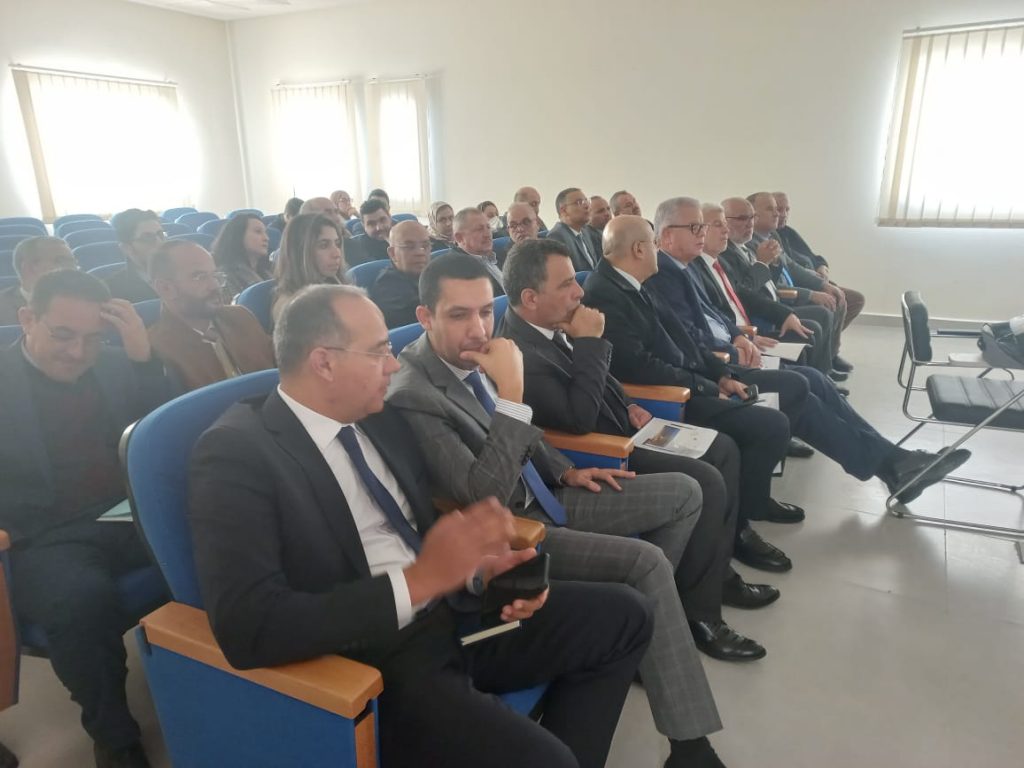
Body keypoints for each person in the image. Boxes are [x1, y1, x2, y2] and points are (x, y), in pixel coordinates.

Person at [188, 283, 654, 768]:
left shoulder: (379, 416)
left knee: (626, 615)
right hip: (380, 657)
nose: (393, 365)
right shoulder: (236, 454)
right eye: (378, 352)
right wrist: (419, 581)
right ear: (324, 363)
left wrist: (479, 571)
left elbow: (419, 531)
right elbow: (249, 627)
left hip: (453, 613)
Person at [388, 253, 729, 767]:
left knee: (685, 492)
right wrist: (513, 391)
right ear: (425, 317)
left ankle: (650, 637)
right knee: (647, 563)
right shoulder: (414, 393)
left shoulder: (477, 357)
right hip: (516, 527)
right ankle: (690, 746)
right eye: (459, 315)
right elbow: (484, 495)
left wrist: (567, 470)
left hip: (550, 491)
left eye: (484, 311)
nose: (478, 328)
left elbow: (526, 433)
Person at [501, 238, 780, 660]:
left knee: (722, 450)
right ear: (530, 298)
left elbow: (598, 379)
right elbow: (577, 419)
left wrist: (627, 400)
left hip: (623, 428)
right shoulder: (520, 350)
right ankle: (701, 616)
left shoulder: (554, 323)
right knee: (706, 478)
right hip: (597, 453)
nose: (579, 291)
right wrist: (591, 341)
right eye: (566, 285)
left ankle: (716, 573)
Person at [644, 199, 973, 506]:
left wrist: (736, 335)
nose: (705, 232)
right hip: (715, 369)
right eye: (697, 227)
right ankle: (893, 464)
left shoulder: (685, 268)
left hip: (732, 351)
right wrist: (731, 348)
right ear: (667, 236)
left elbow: (715, 315)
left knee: (813, 379)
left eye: (705, 226)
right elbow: (688, 336)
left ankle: (894, 463)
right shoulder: (663, 276)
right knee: (799, 386)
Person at [0, 270, 171, 768]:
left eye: (92, 338)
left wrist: (142, 358)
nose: (78, 352)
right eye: (63, 334)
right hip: (43, 533)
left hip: (123, 510)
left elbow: (160, 435)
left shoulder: (116, 365)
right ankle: (115, 739)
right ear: (27, 318)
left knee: (219, 530)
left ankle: (228, 672)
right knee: (80, 601)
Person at [719, 197, 833, 374]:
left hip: (771, 307)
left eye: (752, 217)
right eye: (742, 218)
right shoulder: (725, 254)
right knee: (813, 327)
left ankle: (824, 374)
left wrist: (773, 263)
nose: (750, 223)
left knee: (817, 320)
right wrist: (762, 263)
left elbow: (768, 282)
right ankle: (820, 376)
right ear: (724, 221)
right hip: (757, 319)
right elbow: (745, 293)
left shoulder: (745, 246)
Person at [147, 240, 274, 391]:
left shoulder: (240, 317)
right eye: (199, 277)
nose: (215, 285)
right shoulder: (158, 347)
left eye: (215, 275)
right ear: (166, 288)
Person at [747, 192, 849, 380]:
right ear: (754, 214)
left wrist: (821, 284)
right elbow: (764, 287)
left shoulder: (773, 235)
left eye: (780, 209)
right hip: (778, 303)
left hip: (787, 295)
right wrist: (810, 294)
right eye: (770, 209)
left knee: (831, 301)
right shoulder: (751, 245)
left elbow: (792, 267)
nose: (777, 214)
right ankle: (822, 373)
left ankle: (827, 365)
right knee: (822, 314)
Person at [774, 191, 865, 331]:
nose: (784, 214)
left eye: (787, 210)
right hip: (800, 287)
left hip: (815, 279)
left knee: (853, 298)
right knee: (844, 300)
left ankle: (830, 338)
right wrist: (814, 281)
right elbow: (788, 271)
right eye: (779, 209)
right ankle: (829, 339)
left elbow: (813, 257)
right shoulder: (768, 239)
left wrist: (822, 267)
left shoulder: (788, 232)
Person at [271, 213, 346, 323]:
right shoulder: (290, 306)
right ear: (300, 252)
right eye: (323, 245)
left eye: (337, 244)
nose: (337, 254)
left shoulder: (334, 284)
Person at [369, 220, 432, 328]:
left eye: (425, 246)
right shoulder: (387, 286)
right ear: (392, 253)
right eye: (410, 247)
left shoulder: (433, 273)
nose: (420, 252)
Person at [0, 236, 76, 324]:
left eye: (73, 262)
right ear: (29, 267)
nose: (73, 269)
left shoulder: (85, 301)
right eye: (61, 261)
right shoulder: (3, 307)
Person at [103, 209, 163, 303]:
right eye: (148, 237)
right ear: (127, 248)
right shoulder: (112, 291)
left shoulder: (181, 273)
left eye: (160, 234)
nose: (160, 243)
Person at [211, 213, 272, 300]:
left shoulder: (269, 271)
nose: (266, 238)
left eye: (265, 233)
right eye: (258, 232)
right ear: (238, 235)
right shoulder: (225, 276)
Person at [447, 208, 507, 294]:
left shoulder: (500, 254)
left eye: (488, 227)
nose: (487, 234)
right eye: (479, 229)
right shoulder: (456, 271)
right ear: (459, 238)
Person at [546, 188, 602, 271]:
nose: (587, 206)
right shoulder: (556, 237)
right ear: (564, 210)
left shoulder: (586, 231)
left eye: (586, 201)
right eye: (579, 202)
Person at [344, 199, 392, 267]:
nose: (379, 227)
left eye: (382, 220)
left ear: (389, 217)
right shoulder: (356, 248)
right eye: (371, 224)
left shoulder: (405, 238)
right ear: (363, 226)